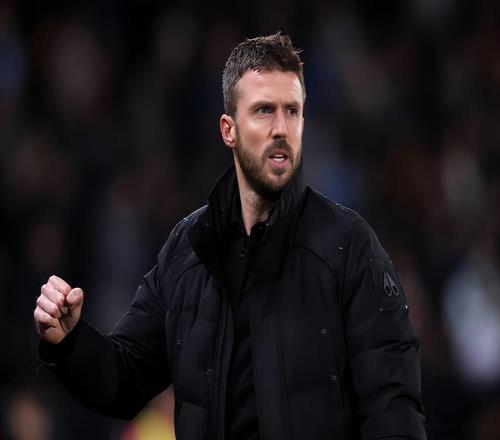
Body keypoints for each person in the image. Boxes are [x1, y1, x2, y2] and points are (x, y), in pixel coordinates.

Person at [34, 32, 426, 440]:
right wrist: (70, 341)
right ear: (229, 130)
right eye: (264, 111)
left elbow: (393, 409)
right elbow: (125, 378)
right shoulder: (190, 249)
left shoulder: (348, 244)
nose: (281, 128)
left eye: (292, 111)